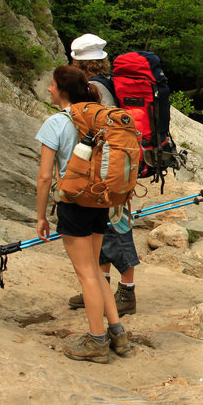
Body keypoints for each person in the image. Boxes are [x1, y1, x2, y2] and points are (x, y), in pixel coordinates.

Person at [36, 65, 130, 362]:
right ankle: (117, 333)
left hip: (74, 203)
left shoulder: (56, 123)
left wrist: (40, 216)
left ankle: (96, 341)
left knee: (86, 273)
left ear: (62, 90)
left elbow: (44, 177)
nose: (49, 89)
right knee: (96, 268)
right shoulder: (97, 116)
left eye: (52, 85)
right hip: (100, 203)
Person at [65, 33, 141, 316]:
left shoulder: (97, 88)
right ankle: (99, 288)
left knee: (118, 228)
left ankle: (127, 293)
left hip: (110, 170)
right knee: (102, 229)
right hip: (111, 167)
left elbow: (105, 132)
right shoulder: (103, 84)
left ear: (79, 62)